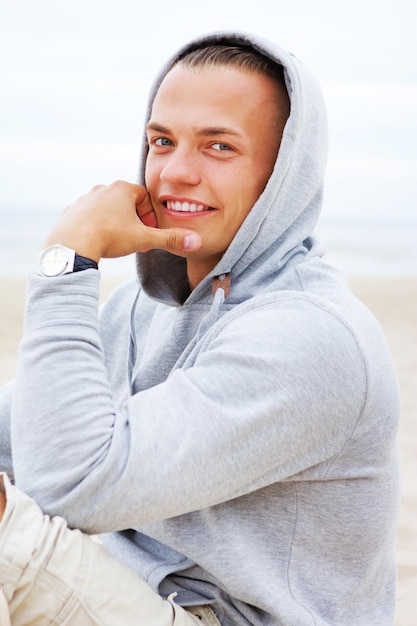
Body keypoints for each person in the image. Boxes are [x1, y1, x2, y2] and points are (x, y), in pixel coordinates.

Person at [0, 31, 400, 626]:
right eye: (162, 141)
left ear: (281, 175)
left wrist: (67, 258)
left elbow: (68, 483)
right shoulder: (140, 305)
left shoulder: (311, 336)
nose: (175, 172)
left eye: (218, 147)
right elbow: (19, 442)